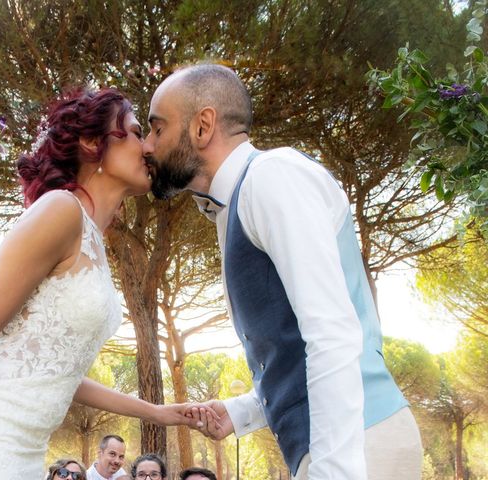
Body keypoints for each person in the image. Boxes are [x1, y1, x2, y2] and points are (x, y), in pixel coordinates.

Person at [142, 64, 423, 480]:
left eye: (157, 129)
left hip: (358, 447)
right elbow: (291, 346)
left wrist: (334, 473)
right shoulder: (235, 202)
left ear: (203, 126)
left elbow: (331, 332)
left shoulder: (272, 177)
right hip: (342, 444)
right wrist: (241, 411)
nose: (147, 146)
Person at [0, 87, 209, 479]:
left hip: (24, 449)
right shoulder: (60, 210)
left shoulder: (94, 243)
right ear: (92, 143)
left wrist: (156, 412)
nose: (148, 147)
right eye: (137, 132)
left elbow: (59, 372)